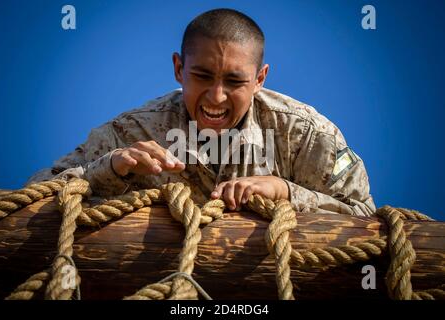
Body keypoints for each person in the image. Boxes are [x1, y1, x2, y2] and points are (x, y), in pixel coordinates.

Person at [27, 8, 376, 216]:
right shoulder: (132, 132)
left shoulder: (303, 136)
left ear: (259, 79)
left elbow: (365, 217)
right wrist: (113, 166)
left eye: (234, 81)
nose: (217, 96)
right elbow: (32, 197)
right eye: (202, 76)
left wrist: (285, 190)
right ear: (179, 69)